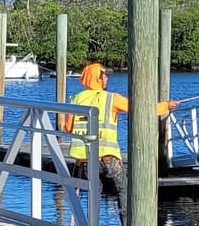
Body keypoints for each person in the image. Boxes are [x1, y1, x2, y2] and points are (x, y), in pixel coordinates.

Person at [62, 61, 174, 199]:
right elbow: (140, 109)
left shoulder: (75, 99)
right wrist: (165, 106)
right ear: (98, 79)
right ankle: (126, 221)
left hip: (85, 161)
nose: (107, 78)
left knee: (93, 196)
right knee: (123, 192)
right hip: (108, 159)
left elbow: (67, 128)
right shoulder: (111, 98)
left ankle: (91, 221)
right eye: (104, 76)